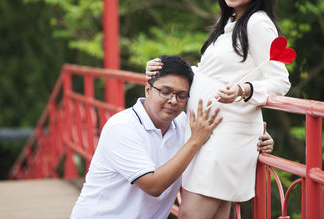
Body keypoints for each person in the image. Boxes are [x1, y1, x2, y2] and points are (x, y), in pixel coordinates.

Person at [146, 0, 291, 218]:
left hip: (226, 136)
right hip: (207, 132)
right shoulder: (230, 22)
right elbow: (209, 74)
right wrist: (161, 69)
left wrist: (244, 90)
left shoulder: (258, 23)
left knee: (190, 213)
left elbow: (280, 80)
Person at [70, 55, 223, 219]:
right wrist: (195, 141)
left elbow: (215, 80)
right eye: (165, 92)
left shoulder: (183, 124)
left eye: (181, 95)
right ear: (148, 90)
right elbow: (153, 186)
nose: (173, 100)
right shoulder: (122, 127)